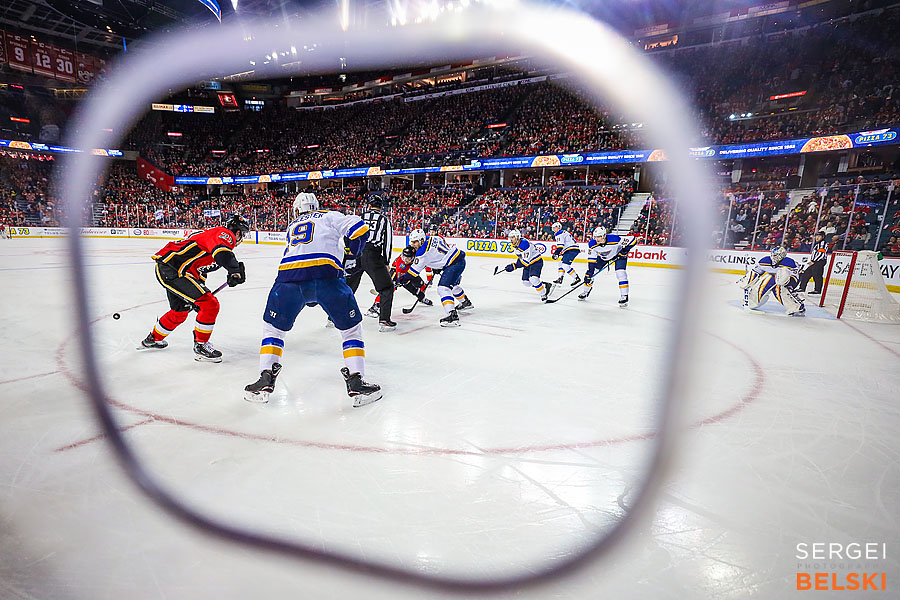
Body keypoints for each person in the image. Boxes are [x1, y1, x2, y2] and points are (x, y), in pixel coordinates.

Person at [243, 192, 382, 406]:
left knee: (273, 330)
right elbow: (360, 228)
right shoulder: (329, 215)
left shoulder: (292, 225)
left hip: (288, 279)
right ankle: (356, 380)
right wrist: (354, 252)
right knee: (350, 330)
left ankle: (265, 376)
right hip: (326, 277)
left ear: (297, 209)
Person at [138, 215, 249, 362]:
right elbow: (223, 254)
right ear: (238, 232)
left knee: (180, 312)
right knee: (210, 305)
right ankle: (201, 346)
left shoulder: (213, 239)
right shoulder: (224, 234)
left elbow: (200, 270)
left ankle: (153, 339)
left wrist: (199, 294)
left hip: (174, 269)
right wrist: (234, 270)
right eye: (242, 233)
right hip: (173, 269)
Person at [346, 195, 396, 331]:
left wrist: (349, 252)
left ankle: (333, 318)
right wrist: (386, 261)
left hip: (356, 253)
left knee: (347, 288)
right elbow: (387, 243)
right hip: (372, 255)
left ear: (368, 205)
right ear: (381, 207)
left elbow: (347, 233)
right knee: (386, 288)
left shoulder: (359, 217)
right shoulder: (384, 220)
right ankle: (384, 321)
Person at [407, 228, 470, 327]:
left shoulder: (422, 253)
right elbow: (441, 251)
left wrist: (400, 280)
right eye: (412, 242)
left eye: (415, 242)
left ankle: (452, 316)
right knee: (452, 286)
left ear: (422, 240)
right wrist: (439, 265)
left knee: (443, 289)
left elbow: (412, 274)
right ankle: (465, 302)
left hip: (453, 264)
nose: (413, 244)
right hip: (458, 259)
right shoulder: (435, 238)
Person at [578, 227, 638, 306]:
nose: (597, 239)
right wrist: (589, 273)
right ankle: (585, 292)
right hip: (603, 258)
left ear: (604, 236)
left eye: (598, 237)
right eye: (595, 237)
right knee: (590, 274)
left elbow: (633, 240)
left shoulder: (615, 239)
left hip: (618, 256)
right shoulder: (592, 244)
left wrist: (624, 251)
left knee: (620, 273)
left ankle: (624, 296)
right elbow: (591, 261)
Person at [738, 246, 805, 316]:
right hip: (775, 278)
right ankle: (752, 301)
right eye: (773, 255)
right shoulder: (765, 261)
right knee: (766, 280)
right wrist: (747, 281)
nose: (774, 257)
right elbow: (755, 272)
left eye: (776, 255)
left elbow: (796, 276)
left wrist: (790, 285)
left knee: (779, 286)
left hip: (788, 280)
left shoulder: (789, 263)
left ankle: (796, 306)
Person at [367, 246, 433, 317]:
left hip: (410, 272)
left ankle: (422, 298)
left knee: (421, 284)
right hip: (396, 273)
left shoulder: (418, 258)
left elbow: (425, 264)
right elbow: (403, 280)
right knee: (388, 290)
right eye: (404, 257)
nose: (405, 260)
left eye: (408, 258)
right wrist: (398, 283)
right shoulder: (401, 264)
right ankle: (374, 307)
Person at [499, 229, 552, 302]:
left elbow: (526, 262)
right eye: (510, 237)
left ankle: (543, 295)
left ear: (517, 237)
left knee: (533, 279)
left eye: (513, 237)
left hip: (536, 262)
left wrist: (514, 266)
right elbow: (521, 258)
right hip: (528, 263)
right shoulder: (515, 245)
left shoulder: (524, 244)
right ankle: (545, 285)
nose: (511, 239)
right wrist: (514, 265)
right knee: (526, 283)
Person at [551, 221, 582, 286]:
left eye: (555, 228)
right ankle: (560, 278)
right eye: (553, 228)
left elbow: (560, 245)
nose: (554, 230)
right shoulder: (564, 232)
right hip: (571, 249)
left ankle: (576, 278)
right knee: (560, 263)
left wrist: (556, 253)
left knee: (565, 265)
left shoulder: (559, 233)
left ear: (559, 227)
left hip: (571, 250)